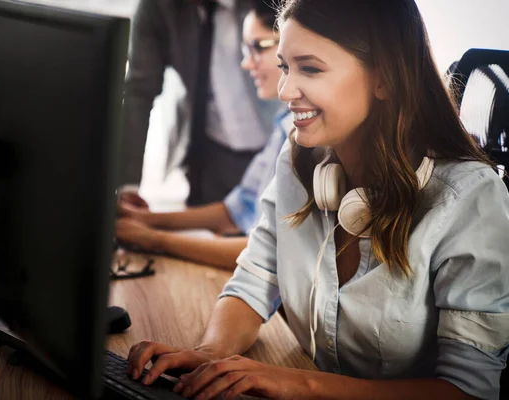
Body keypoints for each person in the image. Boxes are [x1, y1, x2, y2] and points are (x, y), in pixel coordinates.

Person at [125, 1, 509, 399]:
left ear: (385, 79)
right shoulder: (297, 161)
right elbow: (254, 280)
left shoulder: (469, 201)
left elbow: (468, 390)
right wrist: (210, 353)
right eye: (285, 66)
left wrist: (300, 383)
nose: (284, 89)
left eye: (310, 68)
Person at [116, 1, 291, 270]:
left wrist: (155, 238)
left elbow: (268, 253)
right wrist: (144, 219)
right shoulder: (283, 131)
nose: (246, 63)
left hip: (269, 139)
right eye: (246, 49)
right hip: (211, 154)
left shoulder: (298, 138)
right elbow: (236, 211)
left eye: (258, 47)